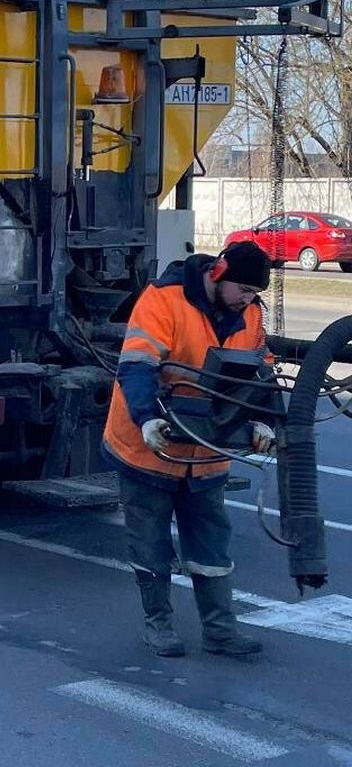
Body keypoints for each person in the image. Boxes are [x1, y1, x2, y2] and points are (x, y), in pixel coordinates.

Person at [102, 240, 276, 658]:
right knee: (150, 543)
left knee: (212, 543)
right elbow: (137, 365)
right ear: (218, 273)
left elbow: (261, 373)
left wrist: (263, 419)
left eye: (254, 293)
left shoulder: (250, 314)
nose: (248, 300)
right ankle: (158, 626)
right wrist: (147, 418)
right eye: (243, 290)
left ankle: (220, 631)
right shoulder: (164, 299)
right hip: (151, 447)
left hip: (206, 452)